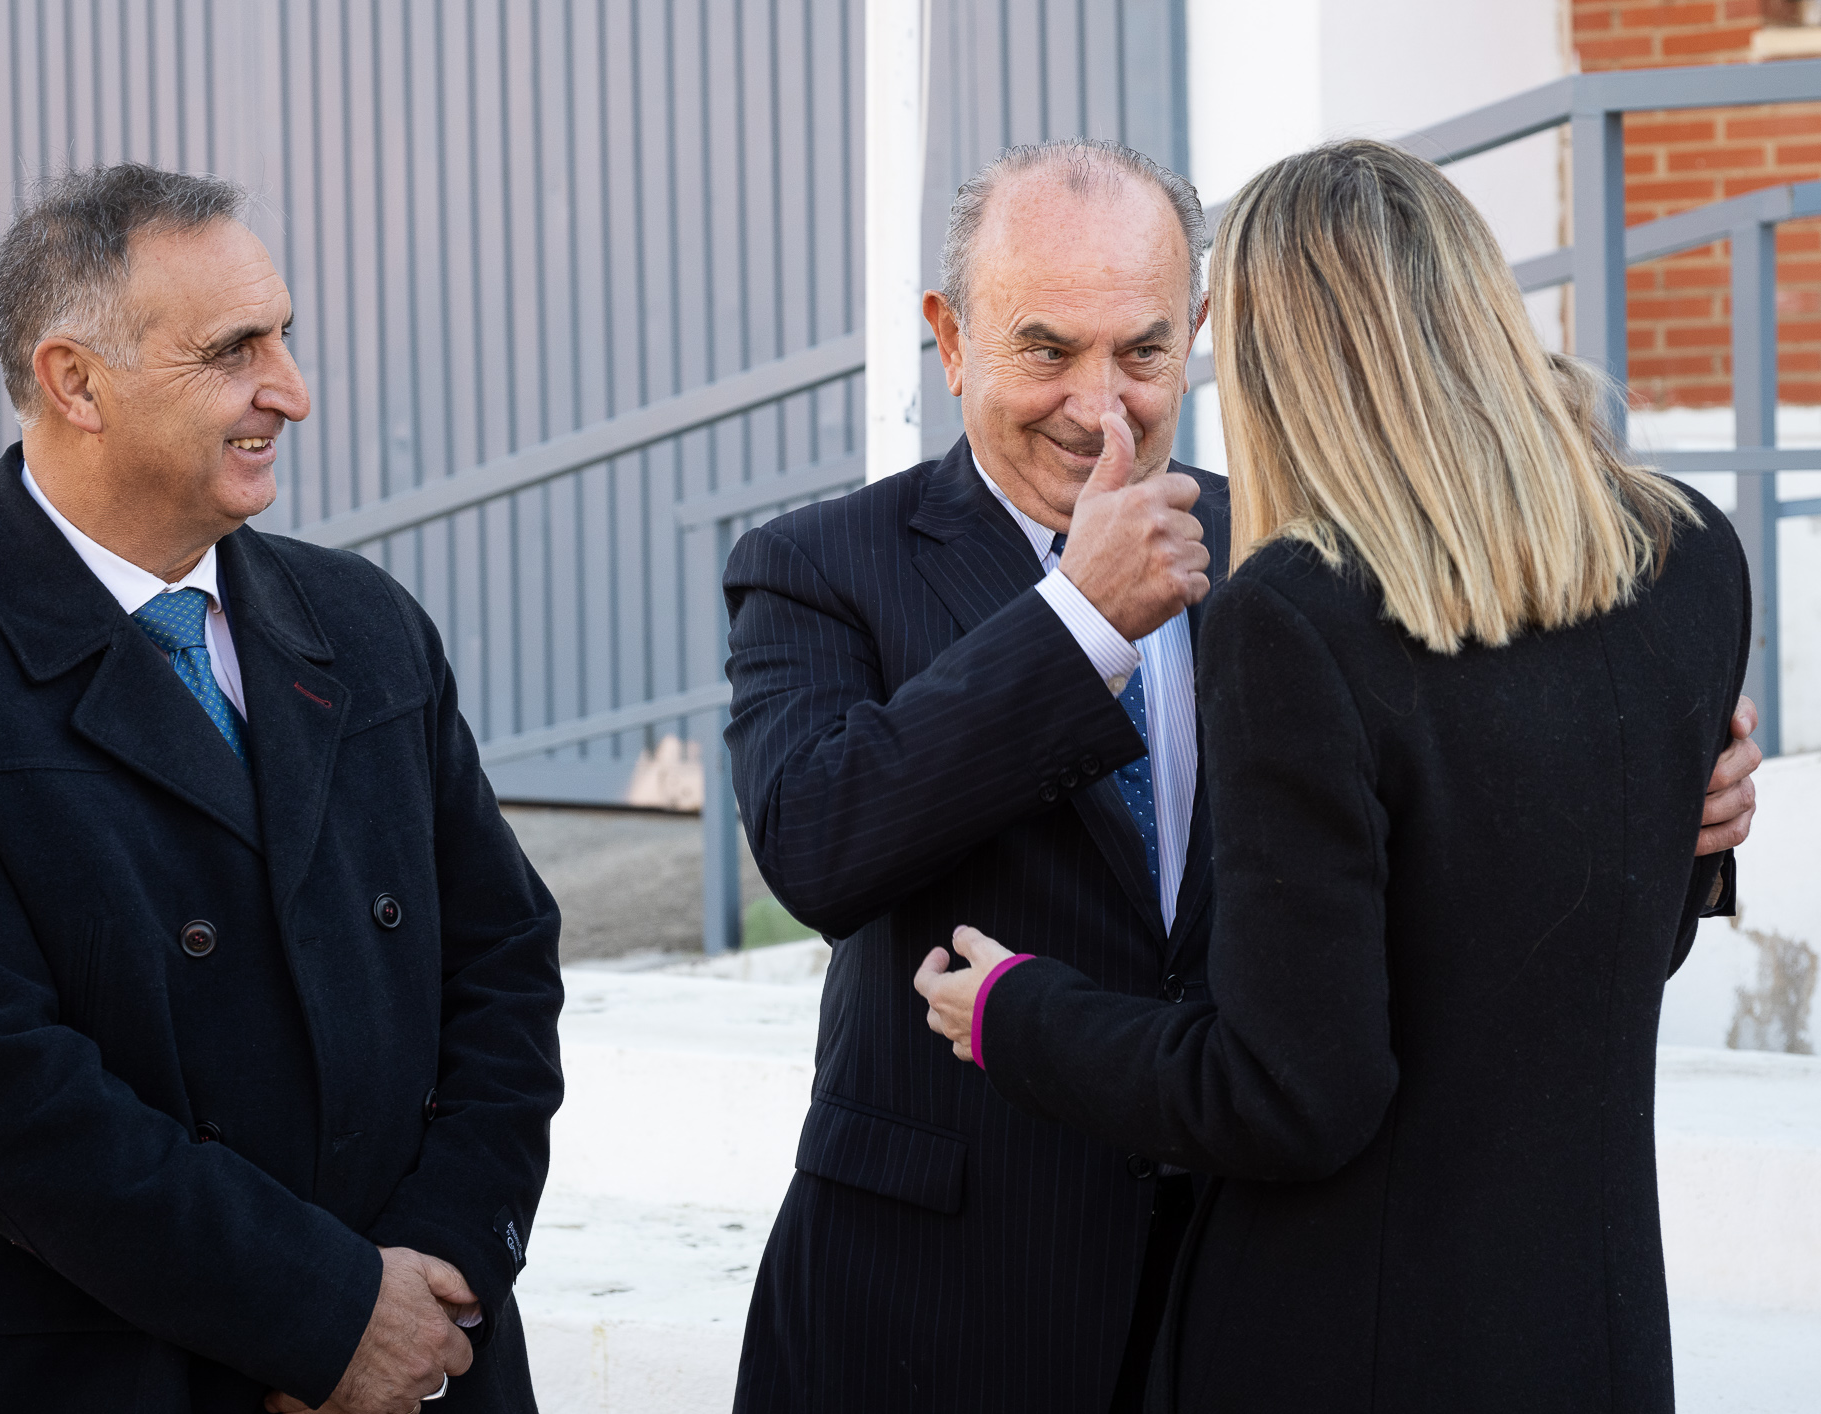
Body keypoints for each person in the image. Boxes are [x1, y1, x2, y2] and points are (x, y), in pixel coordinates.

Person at [723, 138, 1758, 1414]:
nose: (1102, 404)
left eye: (1145, 352)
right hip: (944, 1308)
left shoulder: (1307, 550)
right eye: (1047, 350)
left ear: (1205, 330)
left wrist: (1674, 820)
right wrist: (1076, 626)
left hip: (1258, 1286)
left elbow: (1481, 916)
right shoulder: (818, 564)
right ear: (951, 338)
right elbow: (815, 842)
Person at [0, 164, 562, 1414]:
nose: (292, 392)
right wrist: (321, 1316)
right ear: (74, 381)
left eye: (285, 336)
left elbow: (506, 958)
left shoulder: (365, 625)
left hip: (433, 1364)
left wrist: (447, 1264)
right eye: (232, 351)